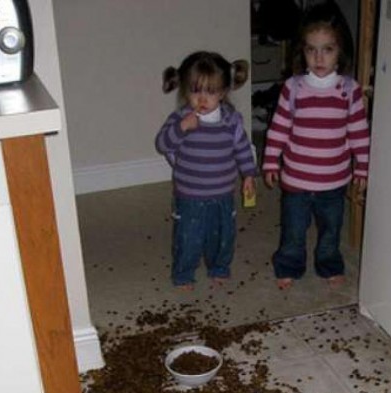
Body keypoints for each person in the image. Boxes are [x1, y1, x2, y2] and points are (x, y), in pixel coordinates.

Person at [262, 0, 369, 290]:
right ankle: (289, 266)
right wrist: (271, 161)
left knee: (330, 231)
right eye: (311, 49)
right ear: (303, 52)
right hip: (296, 179)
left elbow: (358, 132)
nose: (319, 57)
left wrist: (363, 168)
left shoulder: (350, 90)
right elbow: (279, 128)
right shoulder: (293, 87)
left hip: (334, 181)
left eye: (327, 49)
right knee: (294, 231)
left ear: (339, 52)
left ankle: (329, 265)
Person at [156, 51, 257, 290]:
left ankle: (219, 267)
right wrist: (181, 128)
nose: (202, 98)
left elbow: (242, 148)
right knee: (188, 239)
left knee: (222, 237)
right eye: (195, 91)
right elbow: (162, 144)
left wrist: (249, 174)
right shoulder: (181, 118)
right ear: (184, 90)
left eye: (210, 92)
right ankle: (183, 273)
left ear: (222, 93)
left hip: (223, 194)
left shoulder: (231, 120)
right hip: (189, 196)